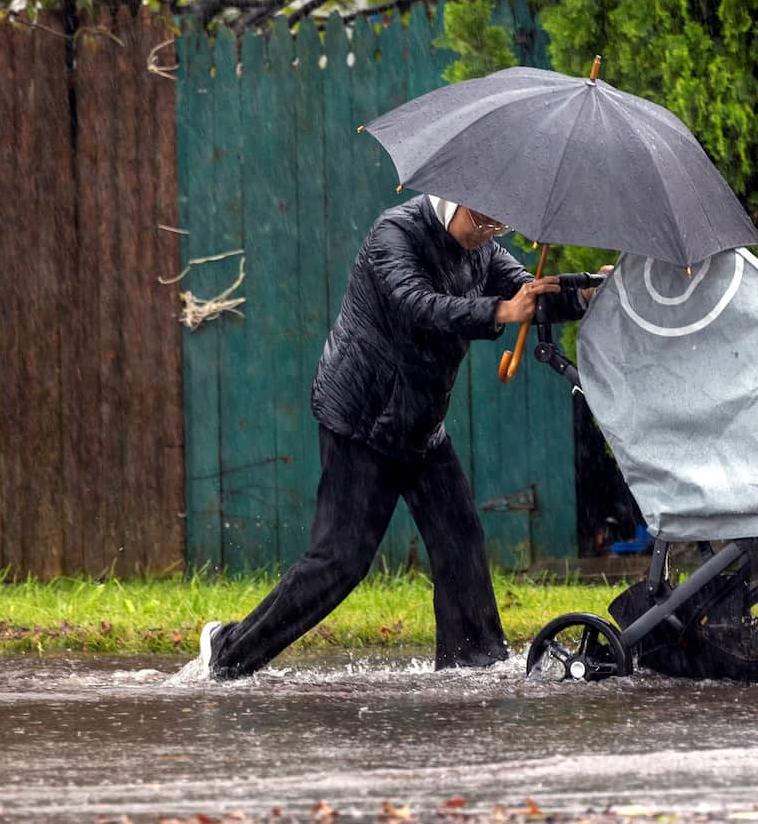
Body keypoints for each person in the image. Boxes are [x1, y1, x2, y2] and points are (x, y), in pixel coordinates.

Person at [196, 193, 595, 679]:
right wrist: (501, 313)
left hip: (420, 425)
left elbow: (528, 295)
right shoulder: (394, 234)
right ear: (455, 200)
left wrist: (583, 294)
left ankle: (473, 665)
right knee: (339, 562)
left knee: (459, 539)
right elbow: (418, 306)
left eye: (499, 226)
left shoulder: (482, 248)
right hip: (361, 421)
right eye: (482, 220)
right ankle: (228, 651)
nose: (489, 231)